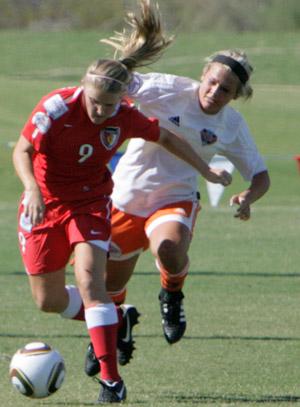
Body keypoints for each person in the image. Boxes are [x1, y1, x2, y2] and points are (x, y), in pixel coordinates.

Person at [12, 1, 232, 403]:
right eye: (96, 103)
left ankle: (111, 382)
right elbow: (22, 151)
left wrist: (205, 169)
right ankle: (119, 320)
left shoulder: (123, 116)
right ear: (84, 90)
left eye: (110, 106)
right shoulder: (56, 108)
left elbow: (166, 137)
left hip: (92, 204)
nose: (101, 112)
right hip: (44, 204)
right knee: (48, 300)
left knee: (91, 283)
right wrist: (31, 189)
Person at [85, 47, 271, 376]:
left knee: (169, 249)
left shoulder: (231, 125)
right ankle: (115, 328)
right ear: (203, 75)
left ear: (236, 95)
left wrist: (247, 198)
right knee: (110, 287)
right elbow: (113, 83)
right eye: (212, 82)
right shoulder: (166, 88)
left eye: (225, 90)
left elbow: (260, 176)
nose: (215, 92)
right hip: (125, 197)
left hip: (176, 196)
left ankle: (171, 296)